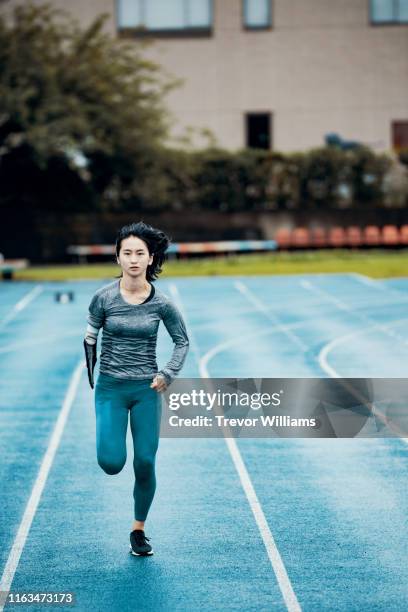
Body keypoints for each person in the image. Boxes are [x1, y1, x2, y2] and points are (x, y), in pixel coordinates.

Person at [83, 221, 189, 556]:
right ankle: (108, 435)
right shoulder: (103, 298)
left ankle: (138, 530)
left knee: (144, 462)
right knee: (112, 463)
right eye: (126, 252)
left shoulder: (162, 304)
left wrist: (168, 374)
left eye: (139, 253)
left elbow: (181, 342)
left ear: (150, 258)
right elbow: (90, 337)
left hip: (146, 390)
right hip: (111, 390)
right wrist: (94, 376)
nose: (132, 259)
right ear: (117, 257)